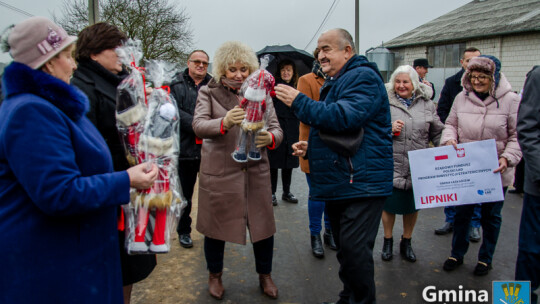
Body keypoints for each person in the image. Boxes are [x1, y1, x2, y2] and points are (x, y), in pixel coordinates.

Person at [0, 17, 157, 303]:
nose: (74, 65)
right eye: (69, 57)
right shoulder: (32, 112)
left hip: (75, 248)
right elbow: (58, 193)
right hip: (54, 259)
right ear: (48, 62)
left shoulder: (50, 105)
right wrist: (126, 179)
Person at [276, 28, 393, 304]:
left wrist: (299, 101)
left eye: (327, 48)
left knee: (354, 250)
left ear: (347, 51)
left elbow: (343, 117)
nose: (321, 54)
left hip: (363, 182)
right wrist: (312, 145)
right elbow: (345, 132)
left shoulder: (362, 77)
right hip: (346, 179)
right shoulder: (339, 79)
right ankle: (348, 297)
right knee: (345, 250)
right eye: (319, 49)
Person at [70, 22, 158, 304]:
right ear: (94, 53)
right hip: (109, 193)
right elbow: (87, 149)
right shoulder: (82, 87)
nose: (121, 54)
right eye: (114, 48)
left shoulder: (124, 80)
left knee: (126, 271)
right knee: (111, 270)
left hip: (130, 187)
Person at [192, 41, 283, 300]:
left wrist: (271, 138)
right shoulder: (208, 92)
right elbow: (198, 125)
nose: (239, 74)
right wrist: (224, 122)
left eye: (244, 68)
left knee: (263, 227)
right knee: (215, 228)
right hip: (220, 171)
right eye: (232, 69)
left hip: (255, 171)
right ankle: (215, 275)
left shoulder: (261, 92)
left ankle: (265, 275)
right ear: (222, 69)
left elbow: (276, 127)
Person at [441, 55, 521, 276]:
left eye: (482, 77)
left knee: (491, 217)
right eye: (473, 76)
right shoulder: (461, 97)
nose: (476, 81)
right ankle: (457, 253)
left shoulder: (511, 100)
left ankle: (486, 258)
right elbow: (451, 124)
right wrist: (449, 140)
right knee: (462, 214)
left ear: (493, 77)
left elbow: (517, 135)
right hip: (467, 168)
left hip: (496, 170)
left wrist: (507, 158)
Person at [381, 65, 444, 263]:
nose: (401, 86)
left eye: (405, 82)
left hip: (418, 165)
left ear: (414, 84)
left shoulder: (427, 104)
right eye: (397, 82)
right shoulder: (384, 102)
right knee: (389, 206)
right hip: (392, 163)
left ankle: (406, 241)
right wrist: (387, 129)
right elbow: (372, 130)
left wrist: (448, 144)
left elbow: (438, 131)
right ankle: (387, 240)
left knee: (412, 207)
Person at [435, 47, 483, 241]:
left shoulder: (488, 85)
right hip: (456, 143)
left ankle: (474, 224)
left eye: (477, 60)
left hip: (479, 145)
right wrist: (452, 134)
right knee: (452, 184)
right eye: (469, 61)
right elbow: (444, 111)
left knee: (476, 186)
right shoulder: (452, 83)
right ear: (462, 63)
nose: (472, 64)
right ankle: (451, 219)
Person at [170, 50, 212, 248]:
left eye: (205, 62)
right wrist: (198, 124)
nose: (201, 65)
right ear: (189, 62)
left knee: (211, 193)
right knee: (185, 195)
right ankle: (184, 231)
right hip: (184, 150)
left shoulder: (214, 85)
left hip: (209, 150)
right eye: (197, 61)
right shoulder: (175, 84)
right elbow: (172, 111)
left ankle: (212, 231)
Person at [297, 52, 336, 258]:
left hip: (334, 146)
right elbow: (302, 112)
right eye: (322, 58)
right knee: (317, 193)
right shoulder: (306, 80)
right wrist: (331, 115)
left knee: (332, 194)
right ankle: (315, 235)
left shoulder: (339, 79)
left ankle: (329, 232)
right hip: (311, 145)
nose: (325, 61)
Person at [515, 65, 540, 304]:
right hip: (539, 186)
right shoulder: (538, 76)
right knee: (531, 251)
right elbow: (527, 128)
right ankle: (515, 301)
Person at [268, 59, 300, 205]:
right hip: (277, 127)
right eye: (283, 70)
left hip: (292, 127)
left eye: (289, 70)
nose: (286, 72)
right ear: (279, 73)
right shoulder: (274, 88)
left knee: (289, 161)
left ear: (293, 73)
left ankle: (286, 192)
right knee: (273, 161)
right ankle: (272, 193)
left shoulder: (297, 88)